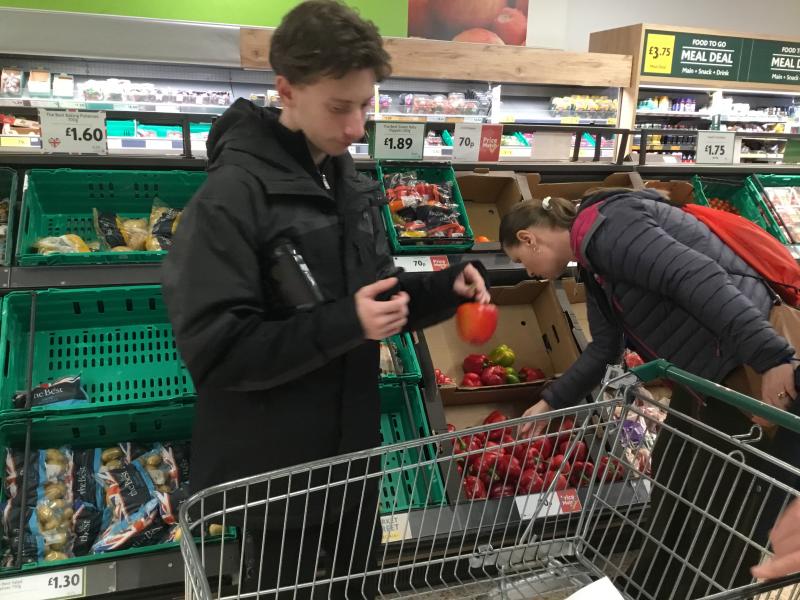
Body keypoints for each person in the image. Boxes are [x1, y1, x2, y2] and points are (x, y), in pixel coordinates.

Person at [161, 1, 489, 598]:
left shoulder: (345, 181)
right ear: (286, 90)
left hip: (350, 466)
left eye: (366, 105)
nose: (357, 127)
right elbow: (218, 351)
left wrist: (445, 289)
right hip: (278, 482)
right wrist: (347, 322)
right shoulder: (230, 199)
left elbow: (375, 298)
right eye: (340, 107)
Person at [499, 189, 797, 599]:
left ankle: (697, 592)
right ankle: (650, 587)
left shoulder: (610, 229)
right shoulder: (592, 261)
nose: (528, 272)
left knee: (726, 508)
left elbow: (694, 276)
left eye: (521, 260)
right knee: (675, 472)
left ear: (529, 238)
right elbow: (606, 347)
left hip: (744, 371)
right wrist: (550, 401)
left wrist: (771, 357)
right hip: (703, 379)